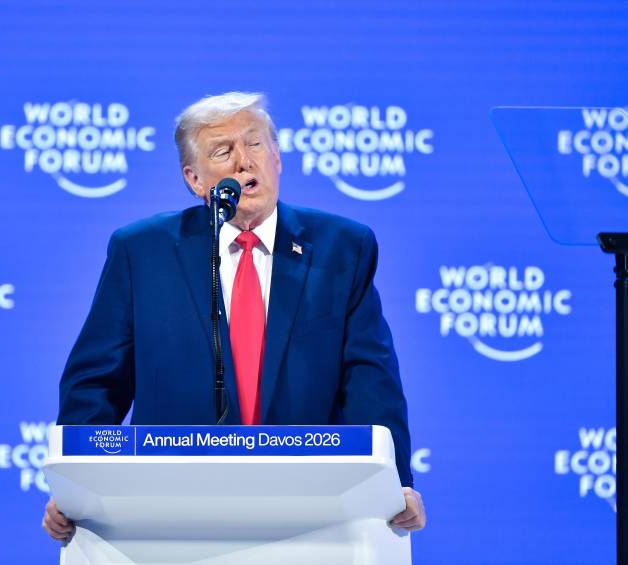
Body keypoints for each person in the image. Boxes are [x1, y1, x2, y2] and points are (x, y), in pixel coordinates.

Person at [43, 92, 426, 541]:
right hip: (169, 513)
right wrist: (77, 490)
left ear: (278, 157)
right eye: (223, 152)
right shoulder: (142, 252)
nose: (244, 163)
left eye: (256, 144)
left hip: (309, 512)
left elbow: (370, 379)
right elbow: (95, 383)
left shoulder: (343, 247)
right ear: (194, 179)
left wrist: (395, 483)